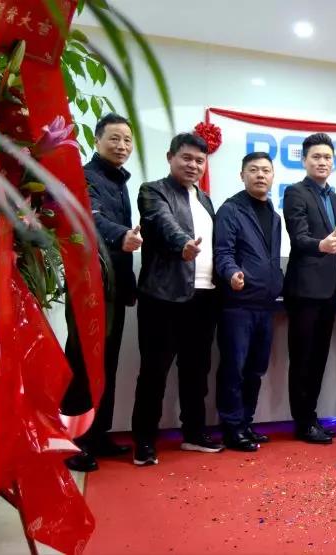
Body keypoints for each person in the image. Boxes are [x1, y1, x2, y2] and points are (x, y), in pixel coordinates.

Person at [132, 133, 221, 466]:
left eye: (199, 160)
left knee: (196, 370)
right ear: (170, 157)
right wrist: (183, 244)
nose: (193, 165)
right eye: (186, 158)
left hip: (204, 296)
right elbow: (162, 222)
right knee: (154, 372)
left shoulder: (206, 200)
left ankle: (194, 433)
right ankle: (144, 441)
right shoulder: (152, 190)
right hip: (163, 297)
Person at [62, 113, 138, 472]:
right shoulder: (86, 176)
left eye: (127, 140)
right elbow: (90, 218)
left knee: (106, 364)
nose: (122, 146)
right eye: (114, 138)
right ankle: (72, 441)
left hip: (113, 287)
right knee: (81, 364)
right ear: (97, 140)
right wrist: (121, 235)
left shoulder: (119, 181)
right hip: (89, 286)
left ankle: (98, 435)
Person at [213, 152, 283, 451]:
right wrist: (232, 273)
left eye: (266, 170)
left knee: (256, 369)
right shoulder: (230, 210)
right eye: (253, 170)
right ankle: (231, 428)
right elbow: (223, 252)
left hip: (265, 305)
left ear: (272, 176)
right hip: (237, 304)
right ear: (242, 175)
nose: (260, 175)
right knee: (234, 368)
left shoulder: (275, 216)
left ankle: (246, 423)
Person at [283, 133, 336, 444]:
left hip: (329, 288)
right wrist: (320, 245)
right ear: (305, 160)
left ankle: (312, 417)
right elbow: (298, 237)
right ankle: (303, 422)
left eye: (327, 158)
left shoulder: (334, 198)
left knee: (319, 357)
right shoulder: (295, 193)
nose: (322, 162)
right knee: (303, 359)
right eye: (316, 157)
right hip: (305, 289)